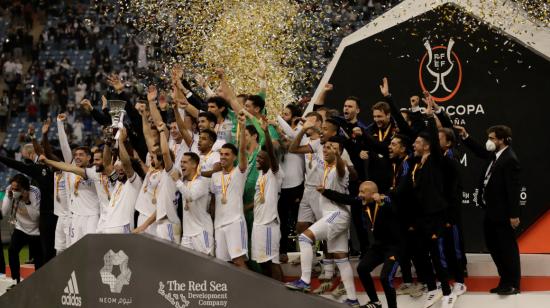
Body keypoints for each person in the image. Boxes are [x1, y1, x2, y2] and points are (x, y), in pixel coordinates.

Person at [286, 137, 360, 308]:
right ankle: (352, 299)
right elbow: (309, 152)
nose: (326, 150)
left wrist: (338, 155)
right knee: (341, 258)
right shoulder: (325, 167)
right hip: (334, 215)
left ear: (339, 152)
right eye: (325, 148)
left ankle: (304, 280)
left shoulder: (341, 169)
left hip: (336, 215)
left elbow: (342, 169)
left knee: (305, 238)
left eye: (331, 148)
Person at [455, 124, 521, 295]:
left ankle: (513, 283)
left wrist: (514, 215)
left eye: (492, 138)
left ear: (502, 140)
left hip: (504, 214)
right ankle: (504, 281)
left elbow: (513, 190)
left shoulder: (509, 159)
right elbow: (480, 151)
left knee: (507, 249)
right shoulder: (495, 156)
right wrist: (465, 136)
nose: (489, 141)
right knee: (494, 247)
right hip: (491, 211)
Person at [321, 181, 401, 308]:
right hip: (378, 247)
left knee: (385, 277)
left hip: (395, 247)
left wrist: (382, 202)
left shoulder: (385, 200)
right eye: (359, 191)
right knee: (362, 268)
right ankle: (375, 302)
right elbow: (345, 199)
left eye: (363, 192)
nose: (360, 194)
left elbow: (395, 209)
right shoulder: (362, 201)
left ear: (373, 193)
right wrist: (325, 191)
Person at [209, 111, 249, 268]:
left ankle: (251, 292)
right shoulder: (215, 176)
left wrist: (243, 125)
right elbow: (213, 201)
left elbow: (243, 151)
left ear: (234, 157)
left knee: (238, 261)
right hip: (219, 224)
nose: (223, 156)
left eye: (227, 154)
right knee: (223, 265)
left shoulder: (239, 173)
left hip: (234, 222)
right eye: (221, 154)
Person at [251, 119, 284, 280]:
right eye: (257, 158)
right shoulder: (260, 174)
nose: (258, 160)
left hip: (269, 224)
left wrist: (265, 132)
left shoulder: (275, 173)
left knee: (272, 261)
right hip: (258, 223)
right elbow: (258, 199)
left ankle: (282, 296)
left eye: (261, 159)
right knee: (262, 262)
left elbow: (271, 152)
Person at [2, 175, 42, 284]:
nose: (14, 191)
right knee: (12, 250)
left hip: (36, 231)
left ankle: (40, 284)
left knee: (39, 260)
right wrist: (9, 197)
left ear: (25, 188)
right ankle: (16, 279)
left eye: (17, 189)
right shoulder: (10, 190)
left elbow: (35, 217)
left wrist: (27, 201)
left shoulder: (35, 192)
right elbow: (4, 212)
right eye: (13, 188)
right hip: (21, 228)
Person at [173, 152, 214, 255]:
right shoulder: (184, 182)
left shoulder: (202, 182)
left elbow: (190, 196)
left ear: (194, 165)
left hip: (201, 231)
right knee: (185, 265)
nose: (181, 164)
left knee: (206, 264)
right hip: (187, 234)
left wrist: (177, 181)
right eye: (181, 162)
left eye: (185, 162)